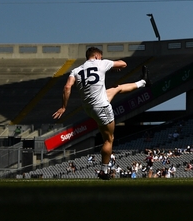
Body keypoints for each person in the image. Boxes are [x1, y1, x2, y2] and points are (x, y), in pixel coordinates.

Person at [52, 47, 149, 180]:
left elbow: (67, 87)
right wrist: (113, 67)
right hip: (102, 107)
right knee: (109, 139)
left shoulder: (76, 70)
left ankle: (143, 82)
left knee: (116, 89)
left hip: (89, 107)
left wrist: (63, 107)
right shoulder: (101, 63)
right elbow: (123, 64)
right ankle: (104, 170)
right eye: (101, 57)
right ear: (97, 56)